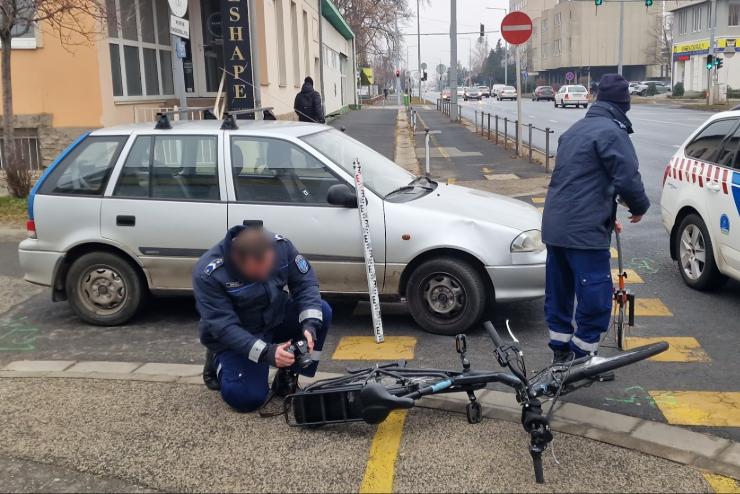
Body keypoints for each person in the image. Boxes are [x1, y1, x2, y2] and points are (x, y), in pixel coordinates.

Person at [541, 73, 650, 362]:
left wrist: (606, 212)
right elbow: (627, 178)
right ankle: (580, 361)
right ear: (623, 103)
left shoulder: (575, 130)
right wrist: (638, 207)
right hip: (584, 233)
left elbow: (577, 181)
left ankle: (560, 356)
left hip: (556, 227)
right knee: (596, 299)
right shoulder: (613, 132)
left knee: (559, 293)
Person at [193, 224, 332, 412]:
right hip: (240, 334)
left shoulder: (282, 247)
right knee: (246, 399)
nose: (265, 275)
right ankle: (218, 360)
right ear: (237, 259)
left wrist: (310, 324)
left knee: (321, 311)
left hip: (274, 317)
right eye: (258, 272)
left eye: (269, 268)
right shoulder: (209, 274)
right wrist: (267, 353)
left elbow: (305, 284)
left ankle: (289, 373)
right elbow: (224, 327)